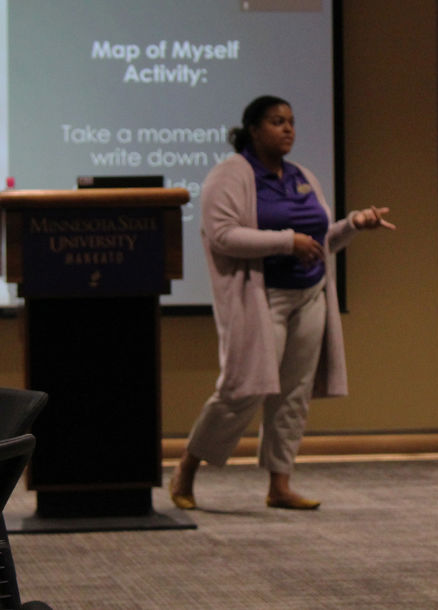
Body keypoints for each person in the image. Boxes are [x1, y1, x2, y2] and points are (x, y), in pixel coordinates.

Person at [169, 95, 395, 511]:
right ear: (253, 130)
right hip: (261, 297)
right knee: (243, 388)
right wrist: (285, 242)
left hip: (310, 295)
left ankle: (280, 484)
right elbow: (222, 234)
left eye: (291, 121)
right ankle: (187, 465)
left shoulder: (301, 175)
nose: (288, 129)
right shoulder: (231, 174)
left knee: (294, 392)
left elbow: (321, 240)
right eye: (277, 122)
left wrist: (354, 225)